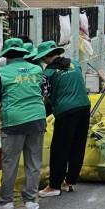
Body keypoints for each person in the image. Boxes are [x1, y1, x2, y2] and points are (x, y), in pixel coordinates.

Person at [0, 38, 47, 209]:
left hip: (13, 122)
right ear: (23, 53)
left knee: (10, 162)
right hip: (37, 118)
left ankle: (6, 203)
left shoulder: (2, 72)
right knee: (33, 161)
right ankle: (30, 201)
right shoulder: (37, 69)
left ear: (6, 55)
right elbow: (42, 94)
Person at [35, 41, 91, 198]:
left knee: (60, 148)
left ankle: (54, 186)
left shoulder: (48, 73)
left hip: (66, 111)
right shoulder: (74, 63)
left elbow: (44, 97)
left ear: (47, 57)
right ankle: (70, 181)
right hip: (84, 106)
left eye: (43, 58)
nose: (43, 61)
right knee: (77, 145)